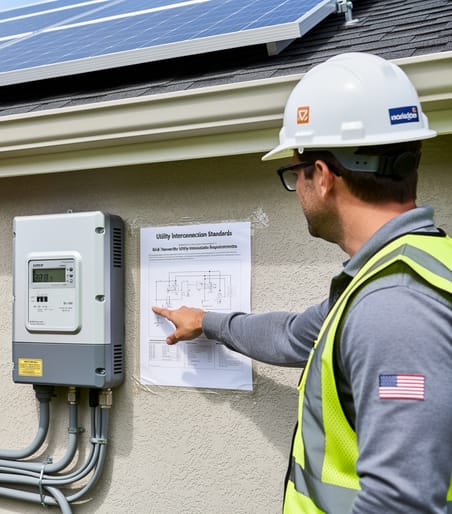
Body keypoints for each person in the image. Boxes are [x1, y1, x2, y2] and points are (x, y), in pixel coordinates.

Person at [152, 52, 451, 512]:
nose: (298, 190)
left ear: (324, 177)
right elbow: (293, 336)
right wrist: (206, 322)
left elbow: (402, 502)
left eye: (296, 173)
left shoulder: (396, 306)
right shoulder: (400, 270)